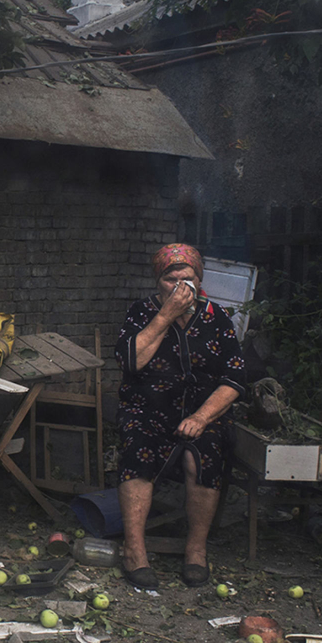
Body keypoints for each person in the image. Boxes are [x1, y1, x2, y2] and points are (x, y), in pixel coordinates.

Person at [113, 243, 247, 589]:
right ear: (158, 282)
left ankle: (196, 549)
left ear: (198, 280)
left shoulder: (217, 318)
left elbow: (234, 378)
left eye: (186, 279)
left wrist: (202, 417)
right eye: (170, 280)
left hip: (202, 412)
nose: (179, 287)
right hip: (148, 410)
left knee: (204, 454)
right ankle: (135, 550)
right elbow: (131, 362)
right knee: (137, 448)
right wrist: (166, 316)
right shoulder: (141, 313)